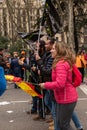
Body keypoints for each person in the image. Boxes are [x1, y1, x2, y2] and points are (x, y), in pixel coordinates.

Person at [39, 41, 78, 130]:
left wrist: (46, 85)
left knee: (64, 125)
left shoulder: (61, 64)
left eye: (53, 49)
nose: (51, 51)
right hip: (63, 98)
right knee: (61, 124)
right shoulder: (60, 62)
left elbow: (60, 83)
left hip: (66, 98)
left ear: (59, 51)